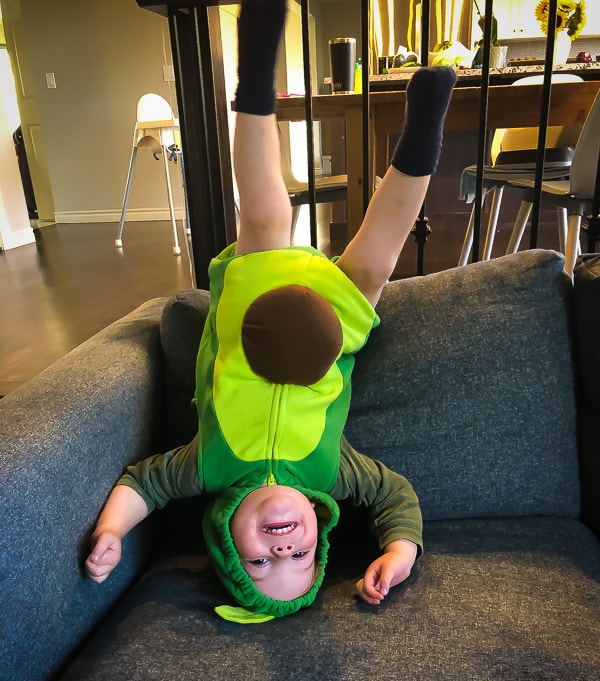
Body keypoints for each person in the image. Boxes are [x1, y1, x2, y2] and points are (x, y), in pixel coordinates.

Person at [86, 0, 456, 623]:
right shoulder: (336, 474)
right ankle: (425, 132)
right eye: (301, 557)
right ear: (319, 530)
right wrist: (400, 550)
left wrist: (111, 533)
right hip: (332, 327)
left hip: (252, 309)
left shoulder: (206, 467)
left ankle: (255, 77)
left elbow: (143, 483)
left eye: (259, 562)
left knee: (265, 215)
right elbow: (395, 494)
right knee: (378, 258)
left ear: (226, 538)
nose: (282, 547)